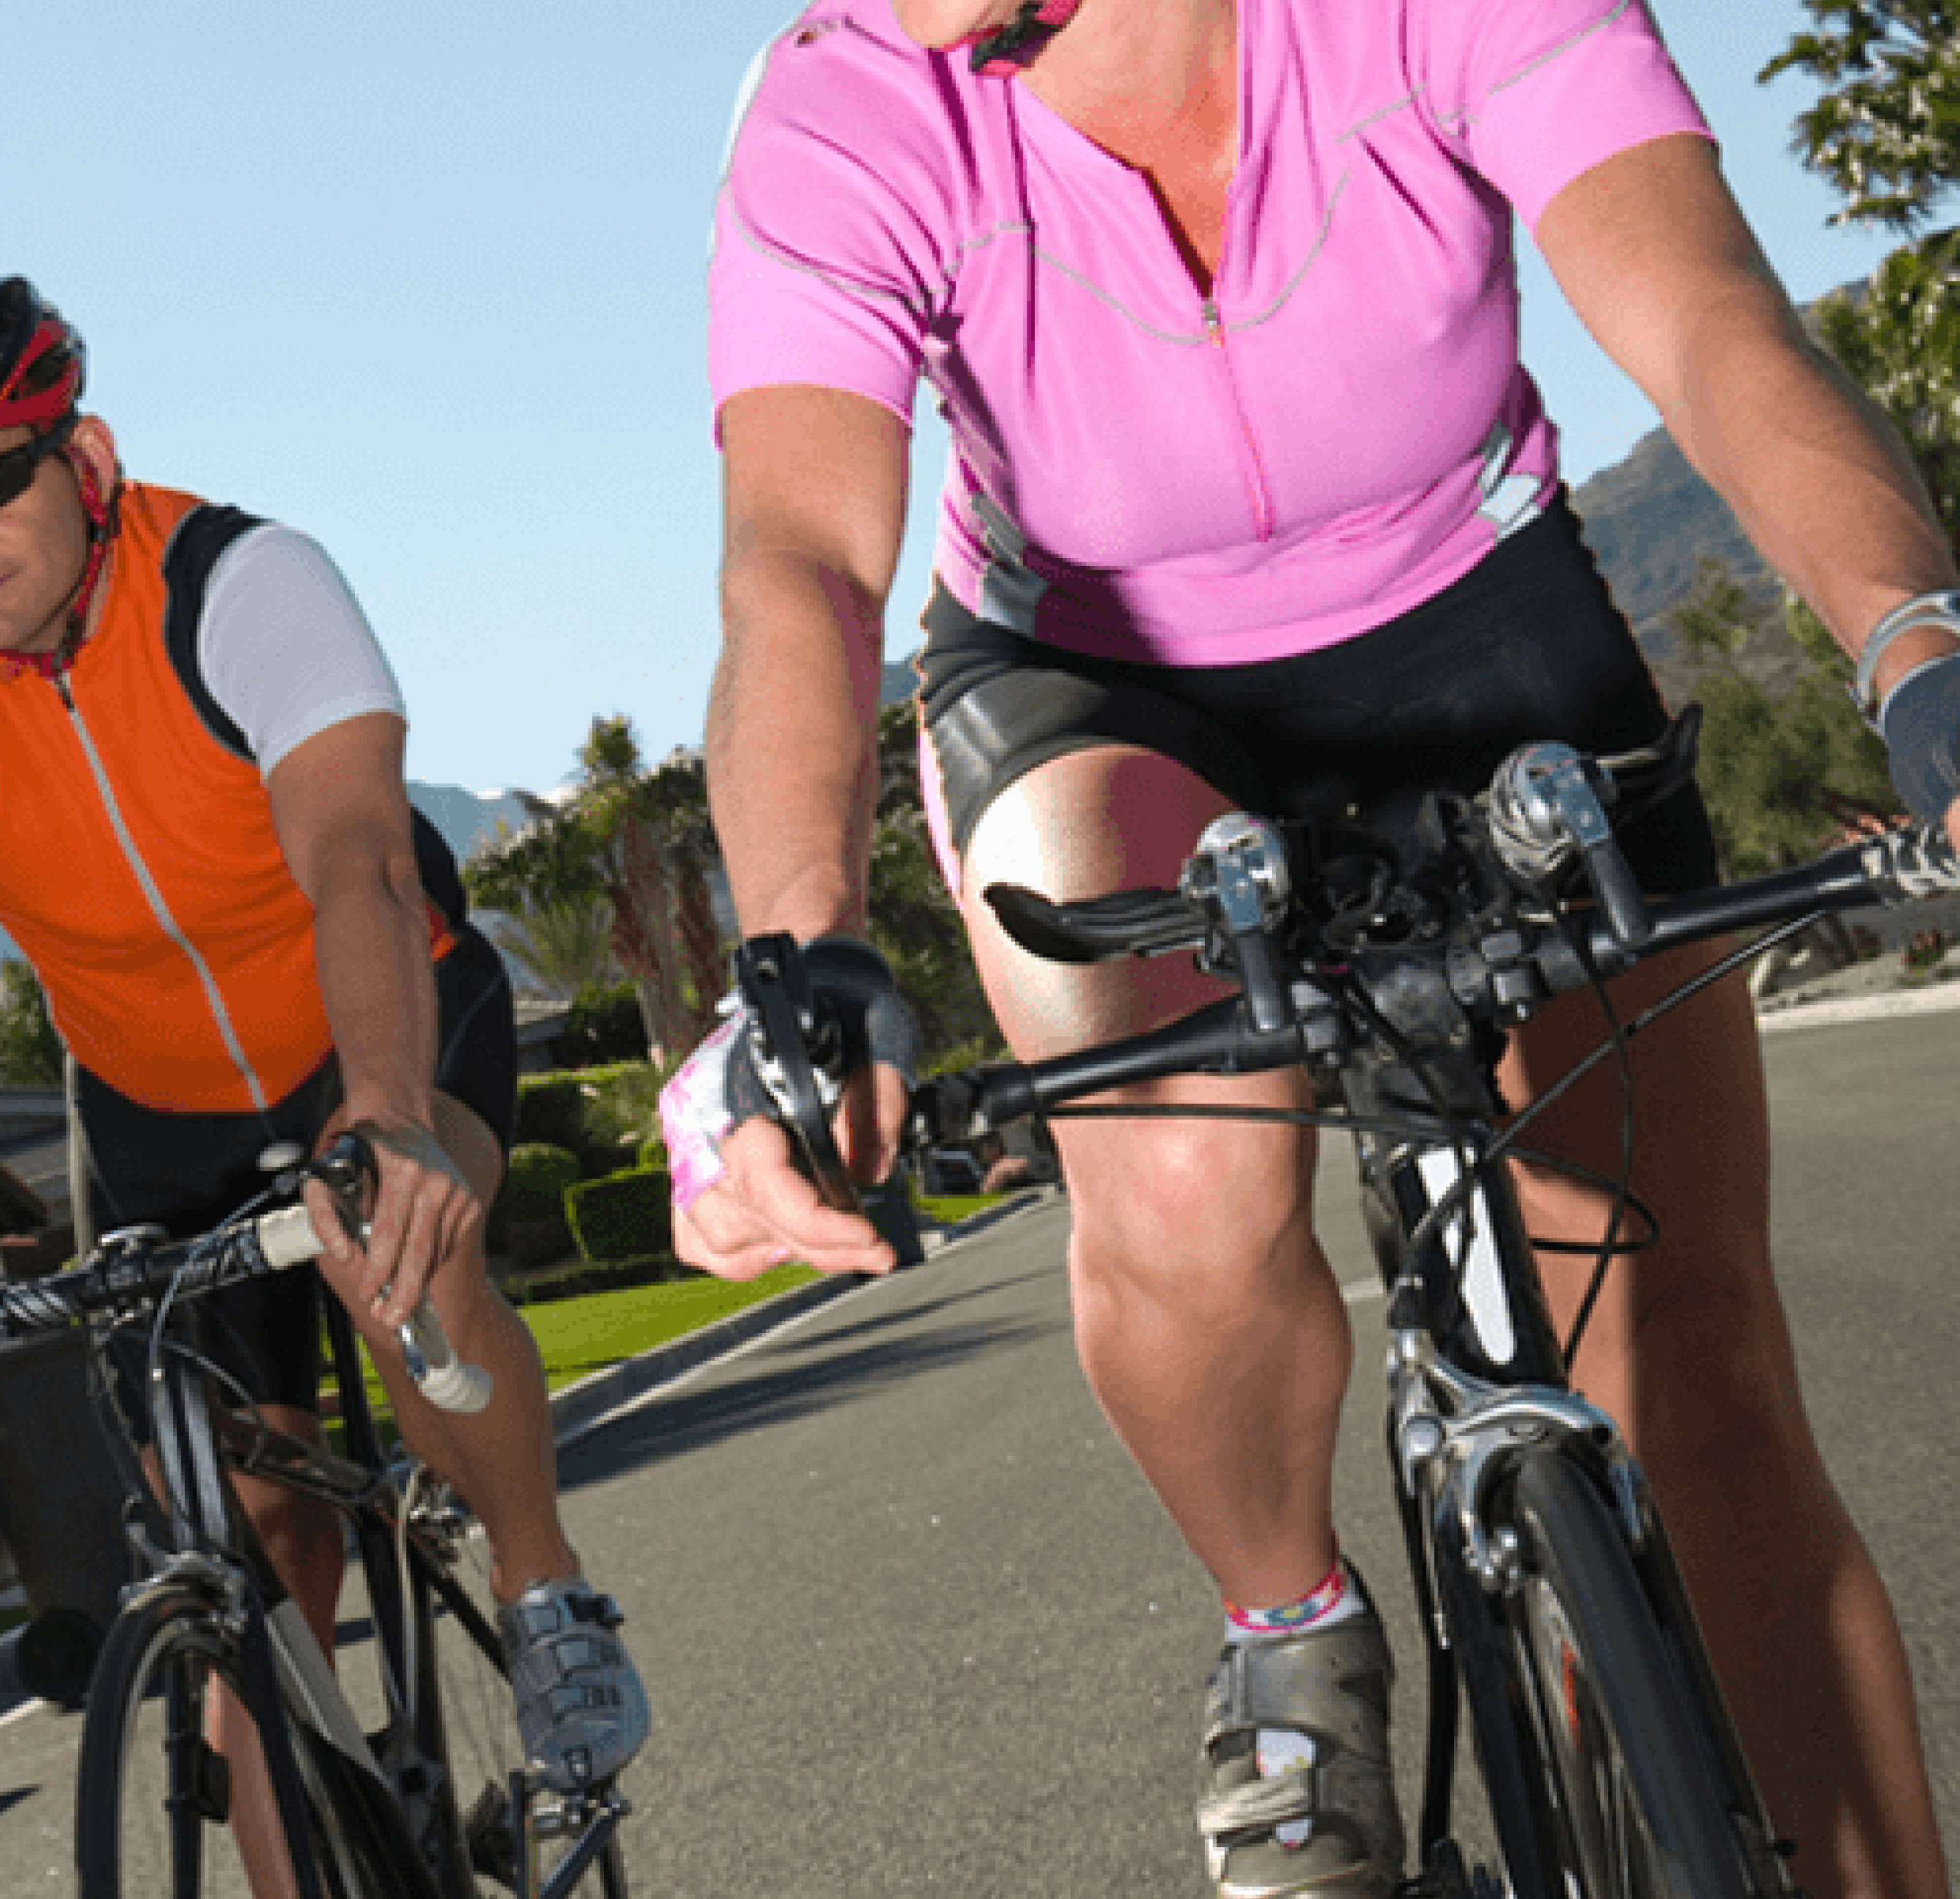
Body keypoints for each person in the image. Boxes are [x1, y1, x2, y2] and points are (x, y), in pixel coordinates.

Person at [668, 3, 1958, 1895]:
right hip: (1090, 689)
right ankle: (1287, 1632)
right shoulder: (842, 104)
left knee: (1700, 1374)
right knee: (1184, 1160)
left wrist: (1915, 655)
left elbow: (1702, 318)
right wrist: (797, 959)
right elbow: (796, 558)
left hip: (1469, 615)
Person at [0, 263, 648, 1883]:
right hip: (153, 1111)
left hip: (387, 1020)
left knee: (392, 1251)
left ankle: (546, 1592)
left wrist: (390, 1112)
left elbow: (354, 856)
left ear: (85, 459)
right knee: (240, 1576)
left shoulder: (244, 580)